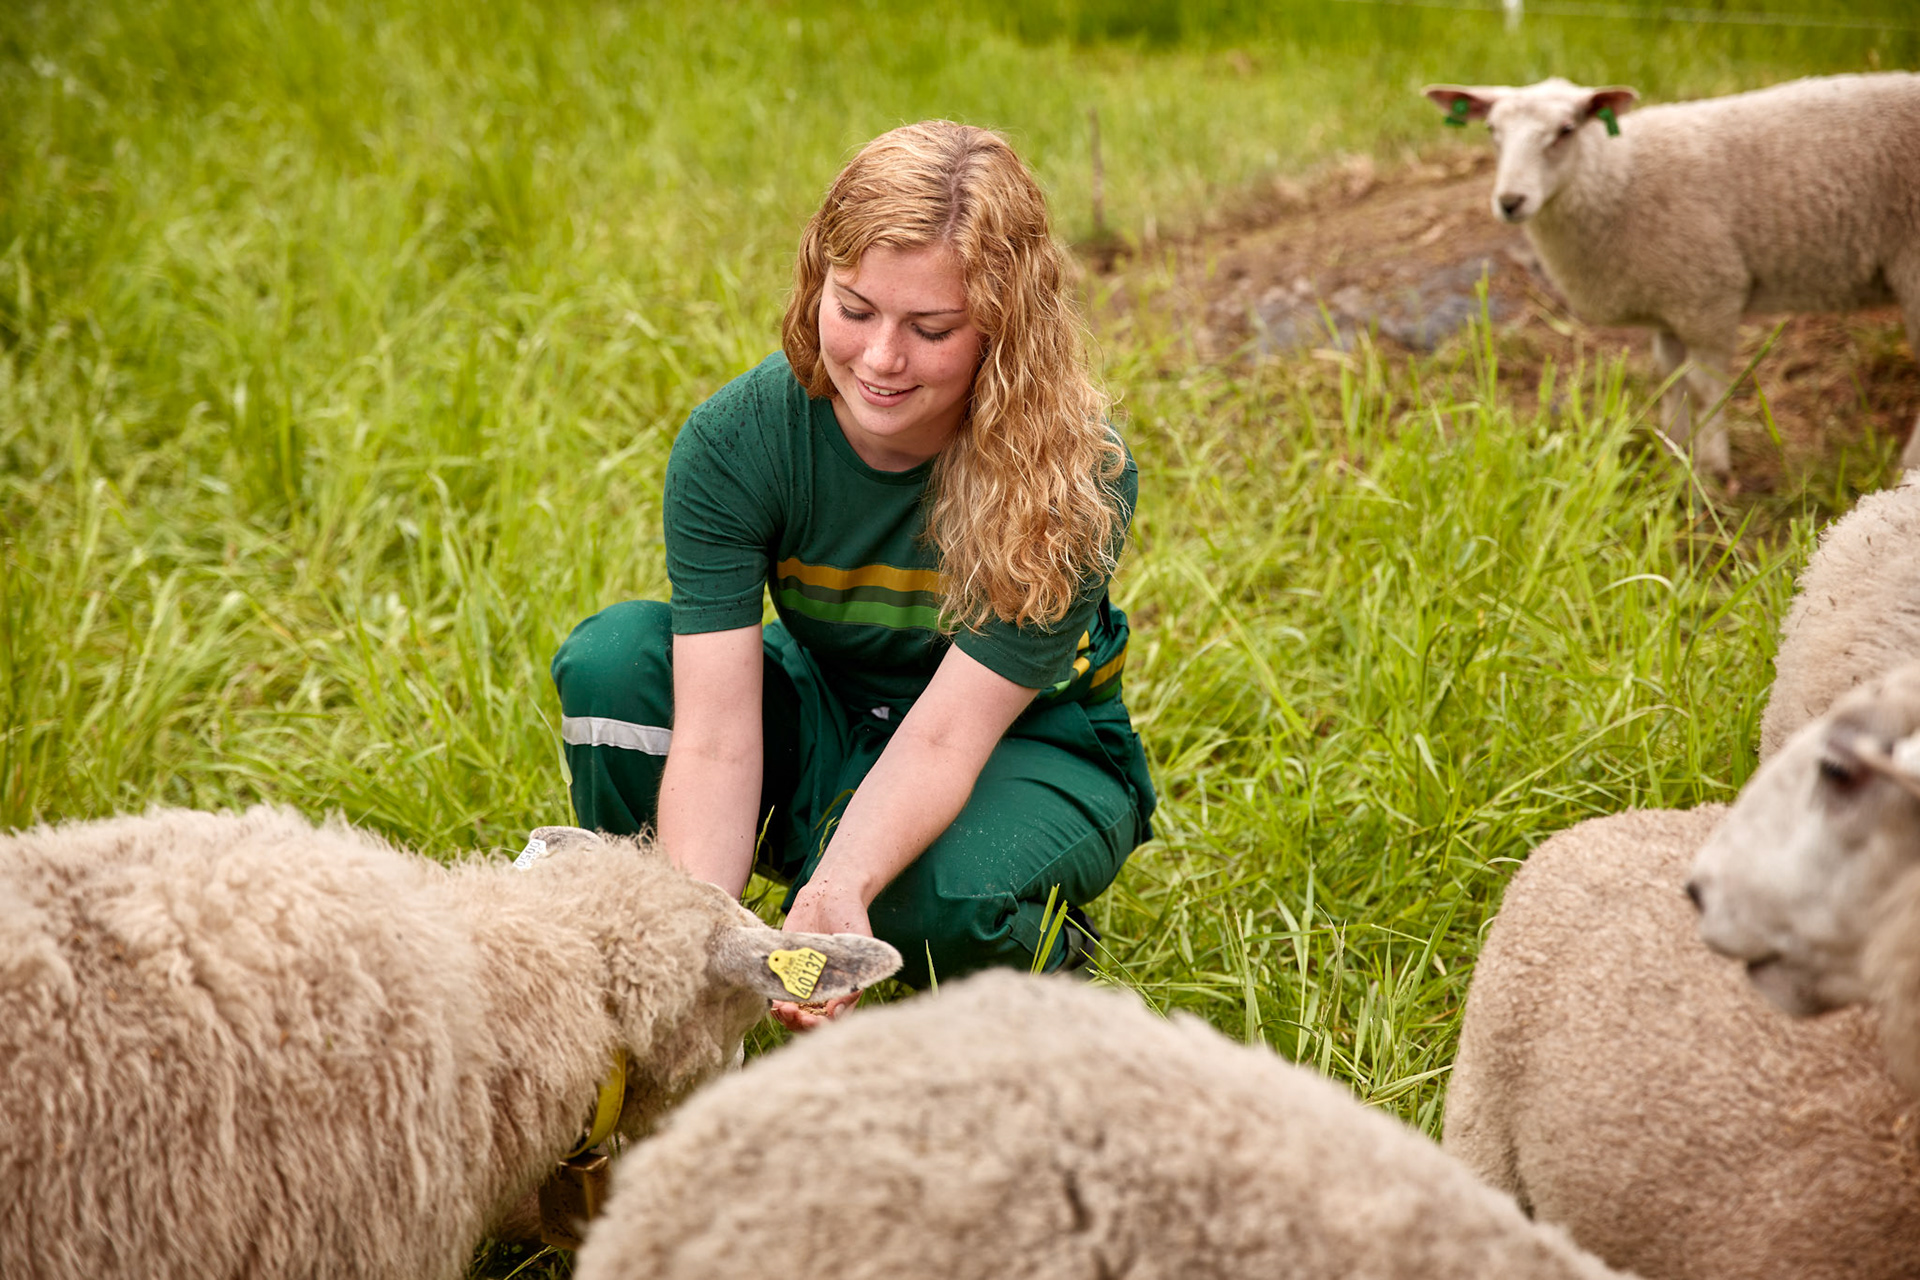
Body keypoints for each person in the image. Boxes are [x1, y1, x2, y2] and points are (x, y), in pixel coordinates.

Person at [550, 120, 1155, 1030]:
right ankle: (646, 961)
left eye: (931, 328)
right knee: (613, 666)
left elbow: (947, 737)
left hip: (1025, 744)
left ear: (1004, 329)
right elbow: (715, 737)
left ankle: (1039, 942)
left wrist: (842, 888)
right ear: (817, 280)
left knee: (929, 902)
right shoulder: (738, 441)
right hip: (834, 706)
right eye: (856, 308)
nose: (880, 359)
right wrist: (699, 941)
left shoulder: (1073, 475)